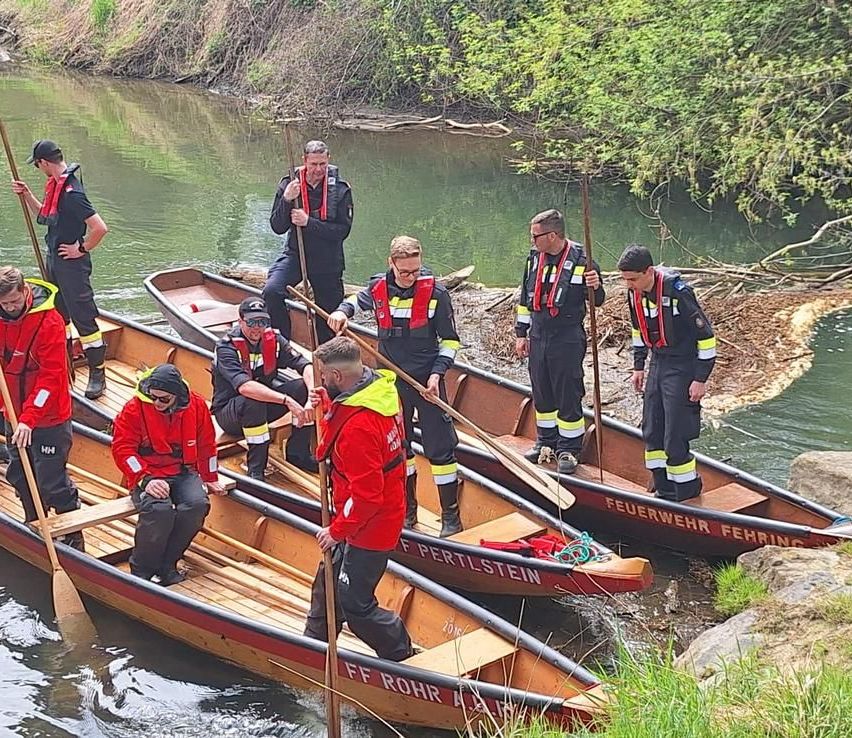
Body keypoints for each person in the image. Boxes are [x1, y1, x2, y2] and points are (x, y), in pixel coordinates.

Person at [327, 236, 463, 537]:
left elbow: (451, 341)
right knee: (399, 447)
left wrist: (437, 374)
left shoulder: (437, 294)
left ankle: (451, 518)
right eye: (405, 272)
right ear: (392, 264)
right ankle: (407, 511)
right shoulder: (378, 288)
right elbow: (353, 302)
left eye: (416, 271)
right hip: (390, 380)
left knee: (440, 449)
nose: (411, 277)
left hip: (427, 379)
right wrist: (340, 312)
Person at [303, 336, 413, 661]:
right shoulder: (380, 392)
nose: (321, 380)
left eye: (324, 377)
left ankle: (399, 653)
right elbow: (346, 412)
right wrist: (327, 401)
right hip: (369, 511)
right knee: (328, 579)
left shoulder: (358, 430)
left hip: (372, 525)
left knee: (354, 600)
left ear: (338, 377)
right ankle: (315, 645)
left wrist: (336, 530)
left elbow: (367, 497)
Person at [11, 140, 109, 399]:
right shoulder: (55, 186)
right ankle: (63, 365)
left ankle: (98, 373)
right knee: (58, 315)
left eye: (38, 165)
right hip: (54, 259)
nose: (39, 169)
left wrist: (83, 248)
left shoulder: (72, 193)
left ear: (44, 162)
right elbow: (46, 216)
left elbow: (100, 227)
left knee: (83, 317)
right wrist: (27, 194)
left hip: (72, 265)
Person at [618, 244, 717, 501]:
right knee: (652, 428)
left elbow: (706, 338)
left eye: (633, 279)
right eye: (625, 280)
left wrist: (700, 379)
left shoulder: (678, 293)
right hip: (657, 363)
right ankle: (662, 488)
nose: (629, 285)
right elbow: (638, 331)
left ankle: (686, 490)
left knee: (676, 432)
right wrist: (638, 366)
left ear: (649, 272)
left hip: (682, 365)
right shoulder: (635, 294)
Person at [112, 364, 226, 584]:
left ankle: (168, 564)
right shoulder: (134, 409)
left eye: (163, 399)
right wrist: (145, 479)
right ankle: (141, 570)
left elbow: (206, 445)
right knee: (158, 510)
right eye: (153, 397)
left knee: (197, 505)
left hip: (182, 472)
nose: (156, 403)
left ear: (176, 396)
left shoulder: (197, 406)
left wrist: (210, 477)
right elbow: (123, 450)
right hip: (148, 473)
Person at [515, 209, 604, 475]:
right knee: (542, 391)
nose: (532, 242)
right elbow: (524, 298)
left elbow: (598, 300)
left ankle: (569, 450)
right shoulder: (534, 260)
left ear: (552, 236)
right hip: (539, 334)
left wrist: (595, 285)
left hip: (566, 336)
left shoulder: (582, 261)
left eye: (536, 236)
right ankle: (546, 442)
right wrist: (521, 333)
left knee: (567, 392)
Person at [0, 266, 83, 550]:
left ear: (25, 292)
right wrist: (14, 416)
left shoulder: (49, 322)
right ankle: (33, 522)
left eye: (14, 301)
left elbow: (51, 378)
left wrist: (29, 419)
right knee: (20, 474)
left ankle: (73, 533)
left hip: (48, 417)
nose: (10, 308)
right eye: (4, 304)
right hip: (12, 411)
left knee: (51, 481)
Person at [212, 296, 317, 478]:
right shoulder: (226, 348)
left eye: (262, 322)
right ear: (240, 322)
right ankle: (256, 470)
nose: (257, 328)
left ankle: (298, 454)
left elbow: (306, 366)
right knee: (253, 400)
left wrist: (311, 397)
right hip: (231, 413)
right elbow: (245, 387)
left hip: (264, 406)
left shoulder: (274, 339)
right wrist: (286, 400)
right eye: (252, 322)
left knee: (303, 387)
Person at [266, 139, 353, 344]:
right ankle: (283, 344)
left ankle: (327, 356)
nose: (318, 169)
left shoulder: (341, 190)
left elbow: (342, 231)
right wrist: (286, 200)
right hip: (296, 255)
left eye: (322, 164)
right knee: (272, 291)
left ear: (328, 160)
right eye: (313, 164)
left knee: (328, 315)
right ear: (304, 161)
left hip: (328, 261)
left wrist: (309, 222)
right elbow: (277, 227)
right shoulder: (289, 184)